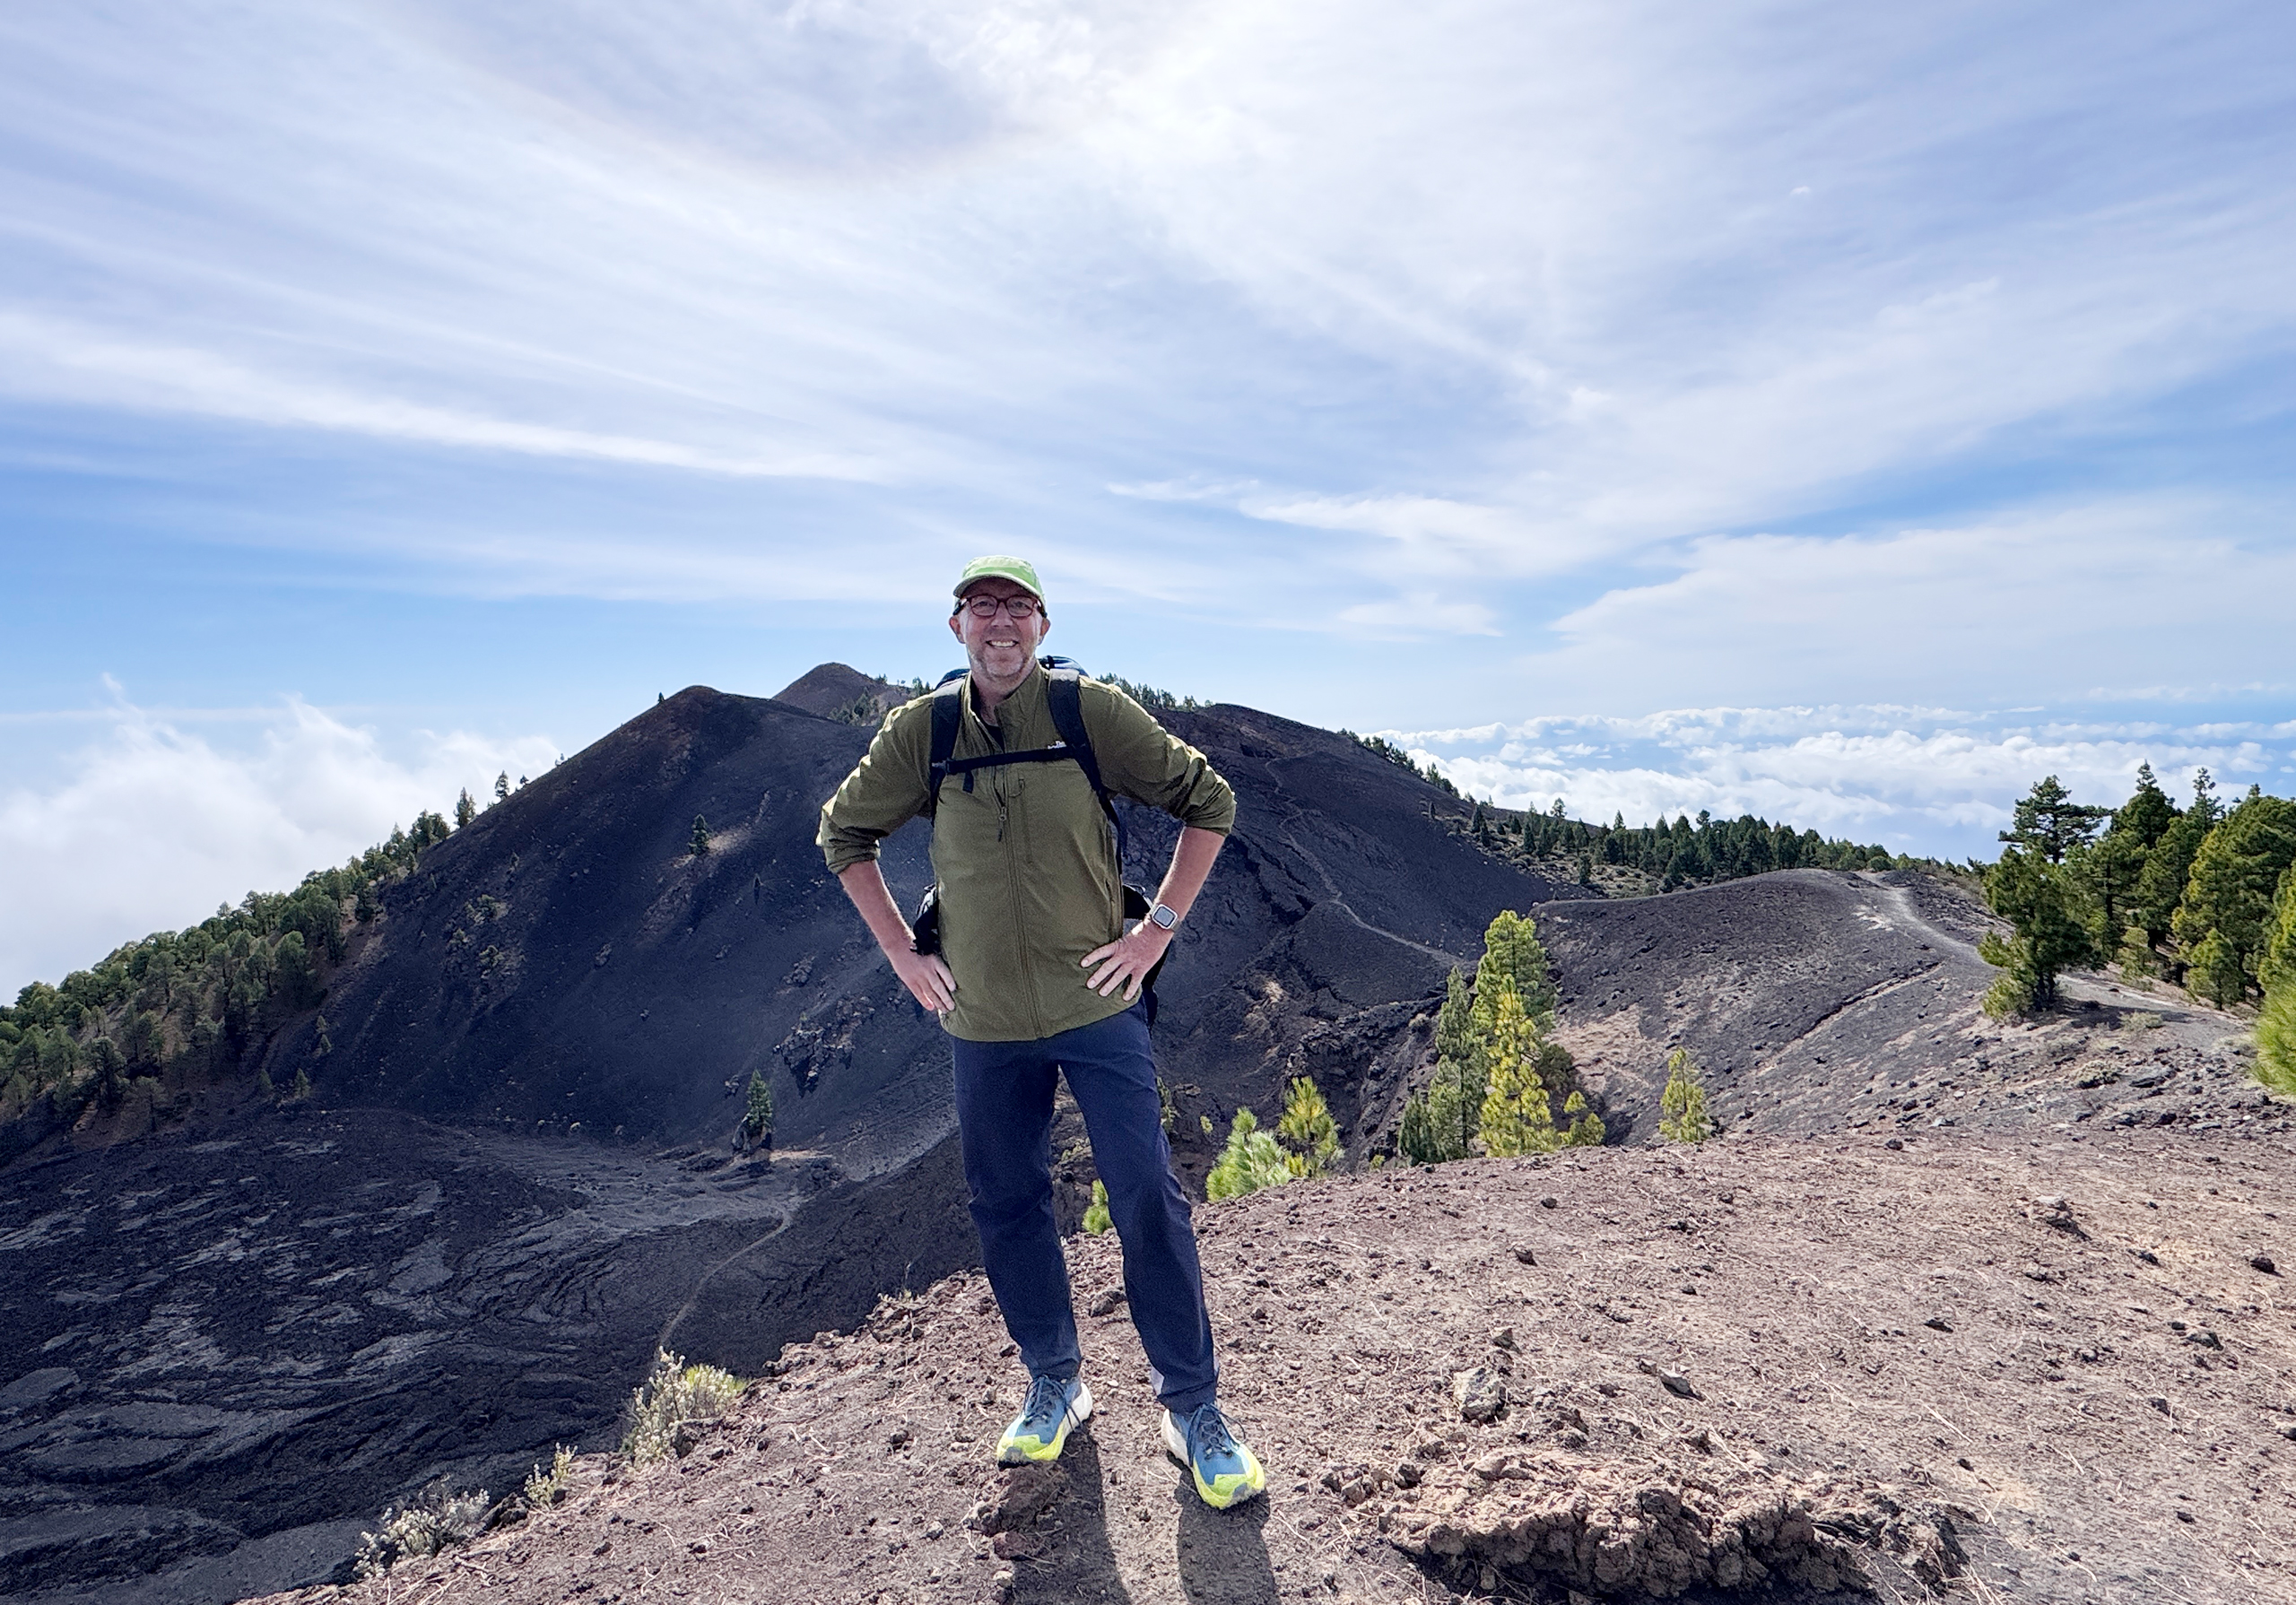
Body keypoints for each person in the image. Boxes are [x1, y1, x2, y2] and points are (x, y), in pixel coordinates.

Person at [816, 555, 1266, 1509]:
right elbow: (842, 833)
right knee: (1007, 1200)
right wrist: (901, 952)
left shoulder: (1087, 713)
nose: (1001, 623)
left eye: (1018, 606)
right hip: (982, 1022)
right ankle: (1054, 1382)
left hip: (1098, 1008)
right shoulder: (924, 731)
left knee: (1145, 1195)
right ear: (957, 628)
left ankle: (1193, 1408)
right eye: (982, 607)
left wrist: (1156, 931)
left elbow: (1210, 802)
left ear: (1043, 624)